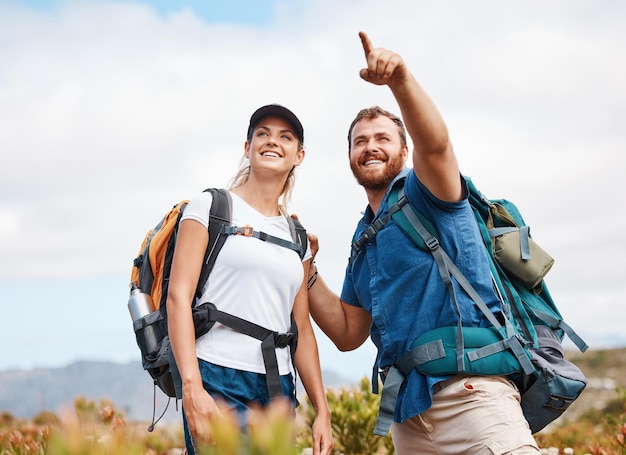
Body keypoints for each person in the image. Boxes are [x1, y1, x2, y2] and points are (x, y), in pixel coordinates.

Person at [306, 32, 540, 454]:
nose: (370, 147)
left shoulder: (427, 193)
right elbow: (346, 332)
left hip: (473, 399)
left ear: (403, 148)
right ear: (349, 156)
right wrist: (306, 270)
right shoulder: (363, 240)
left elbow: (437, 145)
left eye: (382, 138)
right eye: (360, 141)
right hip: (408, 418)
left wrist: (400, 81)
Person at [167, 104, 333, 455]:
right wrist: (192, 388)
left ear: (299, 155)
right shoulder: (209, 207)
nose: (272, 141)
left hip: (278, 390)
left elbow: (300, 325)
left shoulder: (297, 236)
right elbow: (178, 299)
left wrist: (323, 410)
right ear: (248, 147)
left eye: (285, 137)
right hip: (217, 376)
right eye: (263, 134)